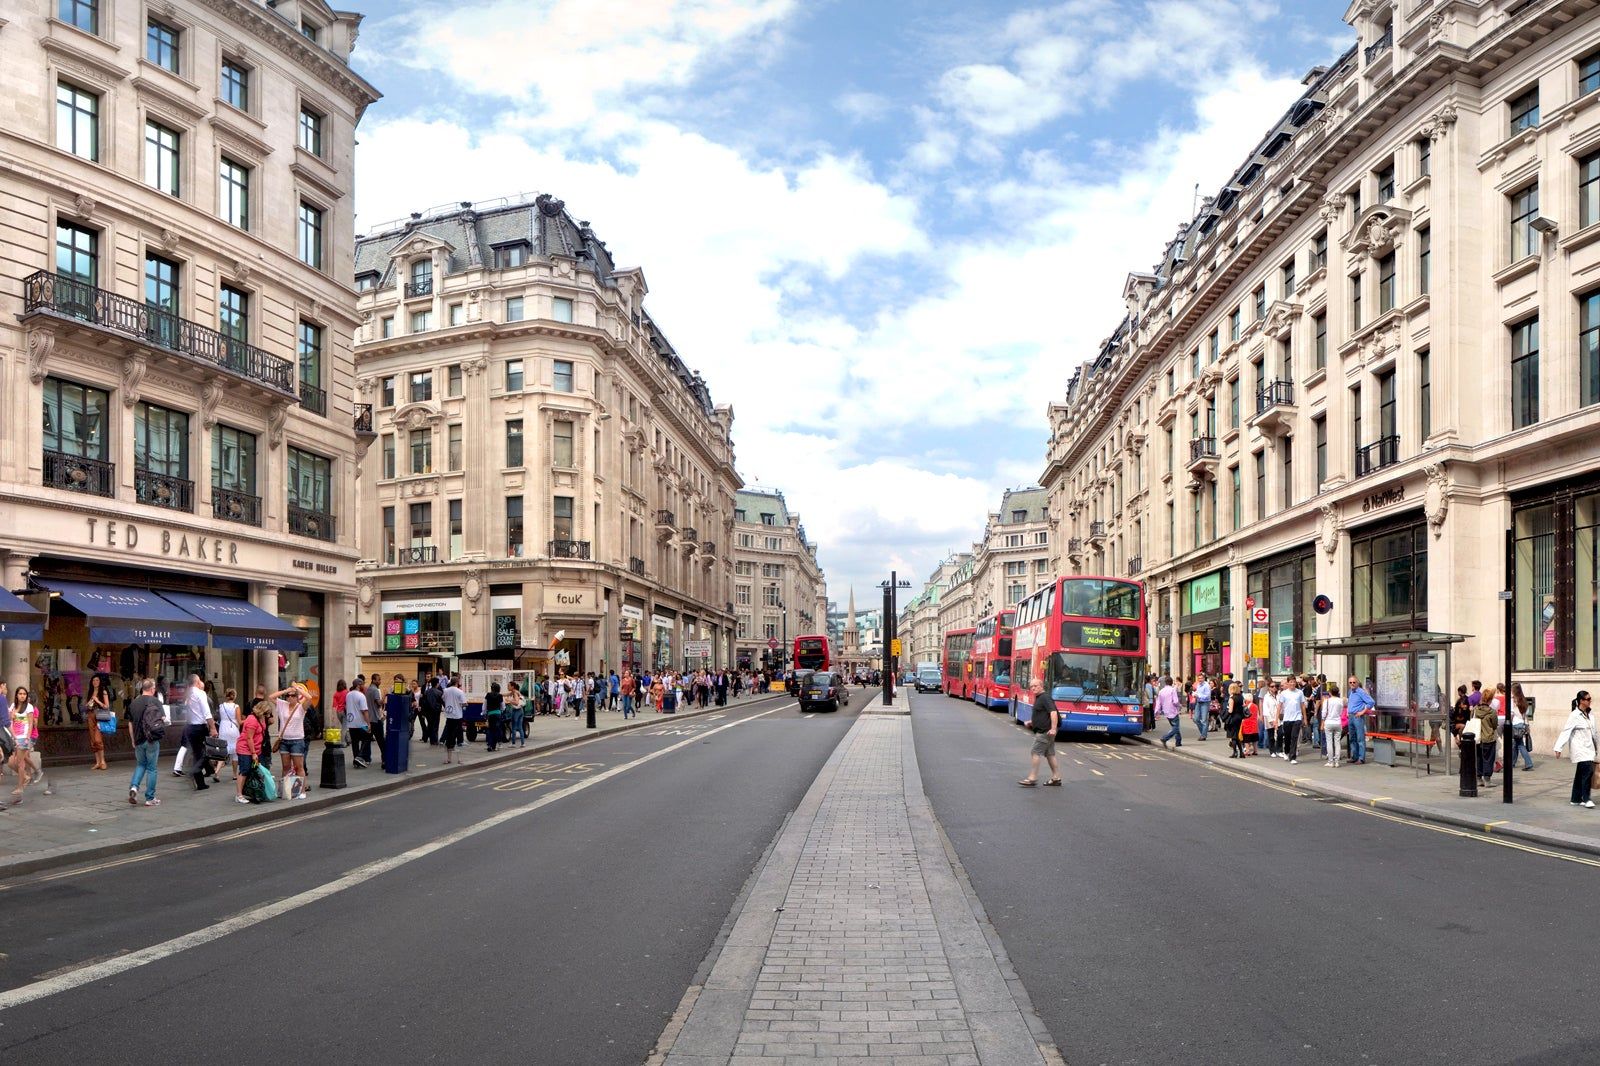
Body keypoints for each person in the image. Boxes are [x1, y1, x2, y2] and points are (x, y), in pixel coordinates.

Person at [1554, 691, 1598, 808]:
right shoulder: (1574, 715)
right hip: (1580, 749)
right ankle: (1586, 798)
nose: (1590, 701)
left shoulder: (1590, 714)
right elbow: (1566, 731)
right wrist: (1558, 747)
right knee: (1588, 772)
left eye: (1590, 699)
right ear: (1581, 701)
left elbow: (1595, 733)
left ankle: (1575, 798)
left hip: (1589, 748)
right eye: (1588, 699)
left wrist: (1597, 747)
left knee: (1580, 773)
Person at [126, 678, 165, 806]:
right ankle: (150, 798)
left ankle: (134, 787)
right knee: (152, 769)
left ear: (142, 688)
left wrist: (133, 740)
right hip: (152, 739)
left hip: (138, 740)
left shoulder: (133, 703)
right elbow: (163, 718)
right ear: (152, 689)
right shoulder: (156, 701)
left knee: (140, 765)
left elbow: (130, 724)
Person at [1018, 677, 1062, 787]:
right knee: (1050, 754)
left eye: (1035, 686)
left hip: (1045, 731)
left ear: (1041, 686)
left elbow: (1053, 712)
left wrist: (1053, 728)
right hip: (1047, 731)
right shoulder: (1040, 698)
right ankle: (1056, 778)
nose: (1033, 688)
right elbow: (1043, 715)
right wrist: (1031, 722)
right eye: (1031, 686)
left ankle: (1032, 778)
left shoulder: (1045, 697)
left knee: (1035, 752)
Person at [180, 674, 217, 791]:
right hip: (200, 727)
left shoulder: (187, 693)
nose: (202, 683)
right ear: (196, 682)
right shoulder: (200, 693)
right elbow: (207, 712)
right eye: (200, 680)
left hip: (189, 727)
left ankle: (200, 783)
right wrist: (213, 727)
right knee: (206, 753)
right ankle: (194, 771)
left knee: (197, 753)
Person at [273, 686, 309, 798]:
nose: (290, 697)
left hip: (297, 741)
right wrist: (286, 690)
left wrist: (297, 689)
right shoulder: (282, 704)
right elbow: (271, 697)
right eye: (288, 696)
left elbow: (309, 697)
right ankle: (286, 791)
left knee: (299, 767)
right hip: (284, 741)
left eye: (293, 695)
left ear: (297, 697)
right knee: (285, 767)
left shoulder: (301, 707)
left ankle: (302, 791)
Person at [9, 686, 41, 803]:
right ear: (16, 695)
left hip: (24, 738)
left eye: (24, 694)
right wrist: (13, 736)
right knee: (11, 762)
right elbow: (9, 721)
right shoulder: (13, 706)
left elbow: (31, 723)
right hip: (15, 738)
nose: (22, 696)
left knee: (20, 763)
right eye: (20, 694)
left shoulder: (29, 707)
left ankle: (20, 788)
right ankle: (26, 777)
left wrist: (27, 738)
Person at [234, 699, 266, 804]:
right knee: (244, 770)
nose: (268, 715)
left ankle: (250, 791)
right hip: (245, 749)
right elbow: (249, 738)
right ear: (262, 711)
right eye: (266, 713)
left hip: (256, 749)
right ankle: (239, 795)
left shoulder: (261, 718)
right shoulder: (252, 719)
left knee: (254, 771)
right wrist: (253, 753)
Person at [85, 673, 111, 771]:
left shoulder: (103, 692)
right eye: (93, 680)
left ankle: (103, 761)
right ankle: (97, 762)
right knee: (93, 740)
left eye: (97, 680)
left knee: (98, 739)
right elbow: (86, 706)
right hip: (90, 716)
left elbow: (107, 706)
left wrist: (97, 700)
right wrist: (88, 704)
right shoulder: (90, 692)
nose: (95, 682)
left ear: (100, 682)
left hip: (100, 716)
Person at [1277, 675, 1305, 764]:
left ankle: (1293, 757)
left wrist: (1305, 718)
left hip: (1297, 717)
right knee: (1287, 737)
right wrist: (1276, 719)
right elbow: (1279, 706)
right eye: (1291, 682)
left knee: (1294, 737)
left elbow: (1302, 705)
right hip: (1287, 719)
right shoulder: (1284, 693)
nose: (1292, 683)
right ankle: (1286, 751)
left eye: (1294, 682)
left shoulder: (1299, 692)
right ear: (1288, 683)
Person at [1345, 677, 1374, 764]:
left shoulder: (1361, 692)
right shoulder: (1350, 692)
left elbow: (1371, 702)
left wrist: (1362, 712)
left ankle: (1361, 758)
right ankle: (1354, 756)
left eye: (1354, 682)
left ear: (1357, 683)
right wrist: (1348, 712)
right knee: (1352, 738)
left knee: (1360, 738)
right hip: (1350, 716)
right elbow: (1350, 703)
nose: (1352, 684)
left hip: (1357, 717)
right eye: (1350, 682)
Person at [1475, 690, 1500, 788]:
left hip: (1477, 738)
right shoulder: (1492, 712)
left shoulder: (1475, 710)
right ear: (1490, 700)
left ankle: (1478, 778)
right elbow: (1494, 725)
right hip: (1488, 738)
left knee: (1479, 758)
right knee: (1488, 759)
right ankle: (1487, 779)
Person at [344, 679, 371, 769]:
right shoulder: (361, 696)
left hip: (351, 723)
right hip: (361, 723)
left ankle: (356, 759)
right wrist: (368, 723)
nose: (364, 686)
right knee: (367, 738)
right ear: (359, 685)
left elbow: (346, 706)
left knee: (355, 742)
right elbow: (364, 710)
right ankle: (359, 756)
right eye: (363, 684)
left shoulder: (348, 695)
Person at [217, 687, 242, 780]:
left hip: (223, 728)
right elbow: (239, 721)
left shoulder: (221, 706)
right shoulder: (236, 707)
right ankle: (235, 774)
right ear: (234, 696)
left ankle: (217, 771)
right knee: (235, 752)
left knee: (223, 750)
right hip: (233, 729)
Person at [1510, 682, 1534, 771]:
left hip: (1515, 725)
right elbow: (1526, 715)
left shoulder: (1513, 701)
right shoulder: (1524, 701)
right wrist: (1527, 726)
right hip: (1522, 725)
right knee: (1515, 744)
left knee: (1520, 745)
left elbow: (1512, 714)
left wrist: (1508, 723)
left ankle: (1529, 763)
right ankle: (1512, 762)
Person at [441, 677, 466, 763]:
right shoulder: (460, 692)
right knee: (458, 736)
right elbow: (464, 703)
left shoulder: (445, 690)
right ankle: (459, 758)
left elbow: (443, 699)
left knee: (449, 736)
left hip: (449, 715)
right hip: (457, 715)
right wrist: (465, 705)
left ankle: (448, 758)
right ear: (457, 682)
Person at [1322, 682, 1346, 767]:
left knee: (1329, 742)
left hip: (1329, 722)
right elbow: (1341, 712)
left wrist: (1323, 720)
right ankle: (1337, 761)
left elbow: (1324, 712)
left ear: (1330, 692)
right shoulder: (1340, 701)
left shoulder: (1327, 701)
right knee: (1337, 742)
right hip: (1338, 722)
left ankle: (1330, 761)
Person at [1155, 676, 1182, 748]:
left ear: (1165, 683)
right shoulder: (1172, 690)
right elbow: (1175, 701)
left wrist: (1157, 712)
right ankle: (1165, 738)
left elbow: (1158, 702)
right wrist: (1179, 705)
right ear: (1172, 682)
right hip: (1173, 711)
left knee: (1175, 727)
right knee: (1176, 728)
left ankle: (1178, 742)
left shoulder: (1161, 691)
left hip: (1166, 711)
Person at [364, 676, 385, 768]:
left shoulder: (368, 690)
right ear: (373, 680)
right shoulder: (375, 690)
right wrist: (384, 696)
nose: (380, 681)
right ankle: (385, 760)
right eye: (378, 679)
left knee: (367, 740)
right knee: (381, 741)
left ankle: (366, 759)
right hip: (376, 719)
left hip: (369, 719)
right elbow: (379, 703)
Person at [418, 678, 443, 745]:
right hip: (436, 711)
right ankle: (434, 740)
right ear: (437, 684)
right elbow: (441, 702)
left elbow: (424, 702)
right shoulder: (439, 692)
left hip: (428, 711)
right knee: (435, 726)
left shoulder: (426, 692)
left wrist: (423, 711)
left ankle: (429, 739)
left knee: (430, 725)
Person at [1261, 679, 1281, 758]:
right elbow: (1265, 709)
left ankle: (1279, 750)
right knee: (1271, 735)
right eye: (1272, 686)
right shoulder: (1266, 697)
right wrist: (1271, 720)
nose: (1274, 688)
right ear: (1269, 687)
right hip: (1270, 718)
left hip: (1278, 718)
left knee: (1280, 734)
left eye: (1276, 686)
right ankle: (1272, 751)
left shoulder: (1279, 695)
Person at [484, 681, 503, 752]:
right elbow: (502, 706)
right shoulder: (500, 696)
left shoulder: (488, 695)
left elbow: (485, 705)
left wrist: (484, 713)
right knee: (496, 730)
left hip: (490, 714)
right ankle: (494, 747)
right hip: (497, 714)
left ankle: (489, 745)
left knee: (490, 730)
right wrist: (501, 711)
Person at [1192, 674, 1212, 741]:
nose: (1200, 680)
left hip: (1205, 703)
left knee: (1204, 720)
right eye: (1199, 678)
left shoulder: (1206, 685)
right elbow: (1197, 692)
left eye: (1201, 678)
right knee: (1196, 719)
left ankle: (1203, 735)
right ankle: (1203, 733)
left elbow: (1207, 696)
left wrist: (1198, 696)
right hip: (1198, 702)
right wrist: (1194, 694)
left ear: (1204, 678)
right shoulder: (1198, 685)